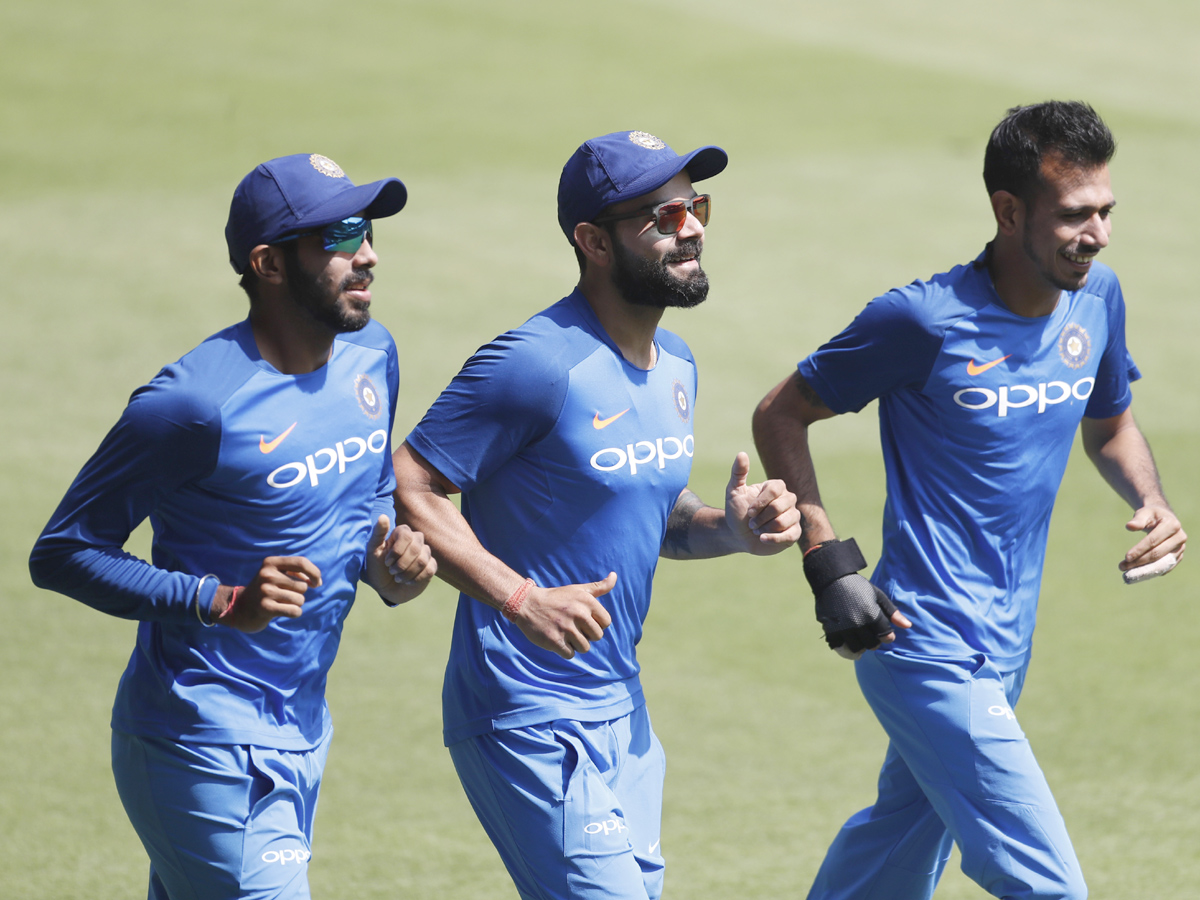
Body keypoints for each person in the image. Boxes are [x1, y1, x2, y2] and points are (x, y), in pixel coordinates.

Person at [753, 101, 1187, 900]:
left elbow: (1111, 424)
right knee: (1051, 886)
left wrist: (1153, 501)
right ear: (1008, 210)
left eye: (1105, 212)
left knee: (892, 854)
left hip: (1007, 646)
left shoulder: (1098, 300)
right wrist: (827, 561)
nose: (1096, 235)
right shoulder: (921, 321)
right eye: (1074, 216)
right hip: (922, 641)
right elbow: (781, 413)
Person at [388, 130, 801, 900]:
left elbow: (656, 515)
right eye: (663, 216)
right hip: (525, 712)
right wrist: (520, 597)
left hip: (622, 713)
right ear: (593, 241)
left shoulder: (676, 365)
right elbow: (408, 483)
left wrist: (730, 529)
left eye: (696, 207)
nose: (693, 228)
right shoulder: (534, 364)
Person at [29, 153, 437, 900]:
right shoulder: (189, 406)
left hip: (303, 725)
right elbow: (62, 552)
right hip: (201, 737)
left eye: (368, 229)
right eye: (340, 235)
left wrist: (391, 559)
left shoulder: (372, 358)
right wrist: (220, 601)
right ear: (268, 263)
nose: (369, 252)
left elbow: (369, 492)